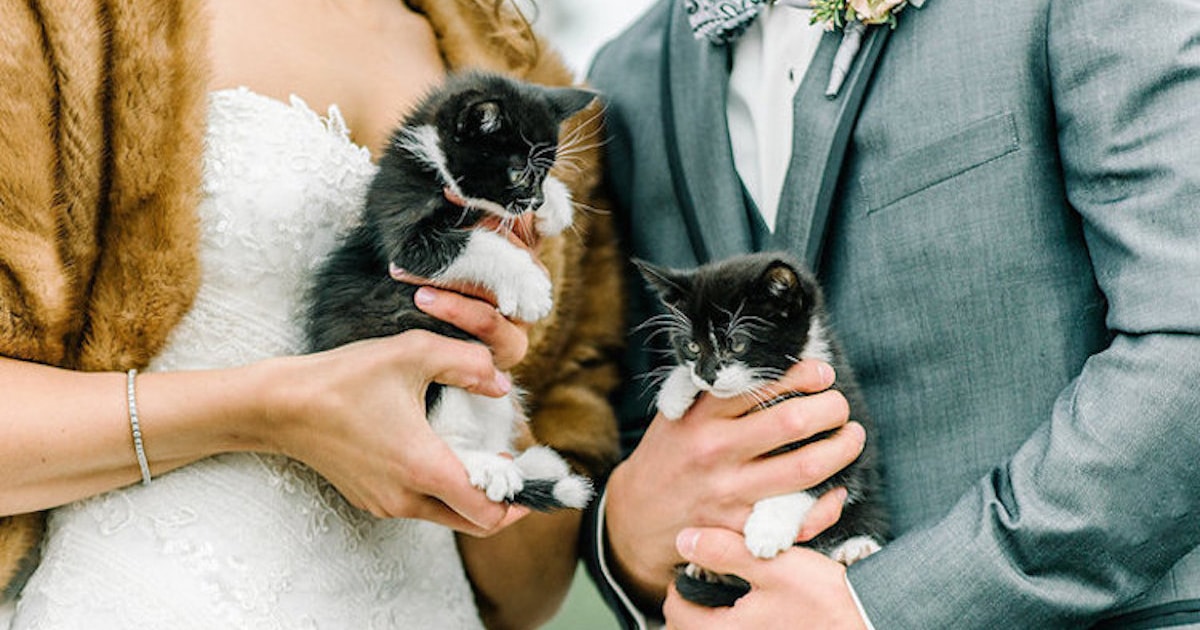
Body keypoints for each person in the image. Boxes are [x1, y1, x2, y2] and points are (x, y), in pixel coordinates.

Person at [0, 0, 622, 628]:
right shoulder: (59, 23)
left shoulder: (519, 67)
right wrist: (270, 411)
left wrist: (481, 387)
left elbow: (525, 597)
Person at [584, 0, 1200, 627]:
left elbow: (1187, 347)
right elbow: (620, 425)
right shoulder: (625, 76)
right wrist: (629, 537)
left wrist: (887, 610)